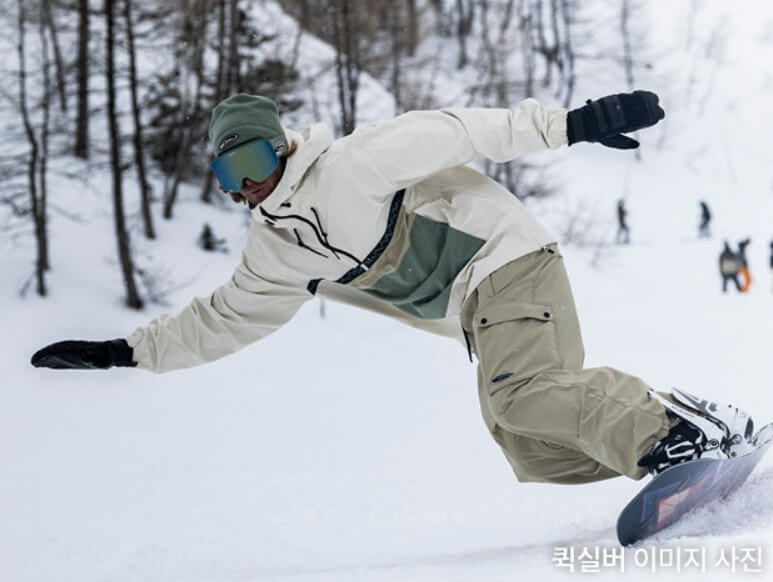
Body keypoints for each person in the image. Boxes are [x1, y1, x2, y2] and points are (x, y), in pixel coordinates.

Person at [31, 91, 755, 485]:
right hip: (480, 309)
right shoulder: (275, 252)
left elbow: (468, 128)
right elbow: (221, 321)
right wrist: (123, 352)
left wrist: (574, 123)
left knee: (519, 396)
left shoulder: (353, 163)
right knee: (526, 446)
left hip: (509, 260)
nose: (247, 182)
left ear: (279, 143)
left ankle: (668, 430)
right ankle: (667, 444)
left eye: (252, 157)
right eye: (228, 174)